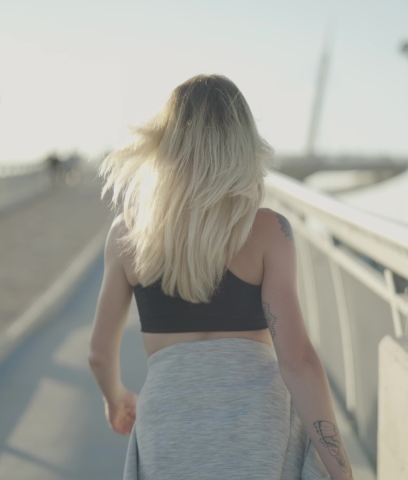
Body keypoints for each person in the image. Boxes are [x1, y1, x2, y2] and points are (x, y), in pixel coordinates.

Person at [89, 75, 354, 479]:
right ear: (242, 146)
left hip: (169, 425)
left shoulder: (128, 234)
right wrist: (341, 469)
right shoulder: (269, 232)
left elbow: (99, 354)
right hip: (258, 429)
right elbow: (297, 361)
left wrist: (115, 398)